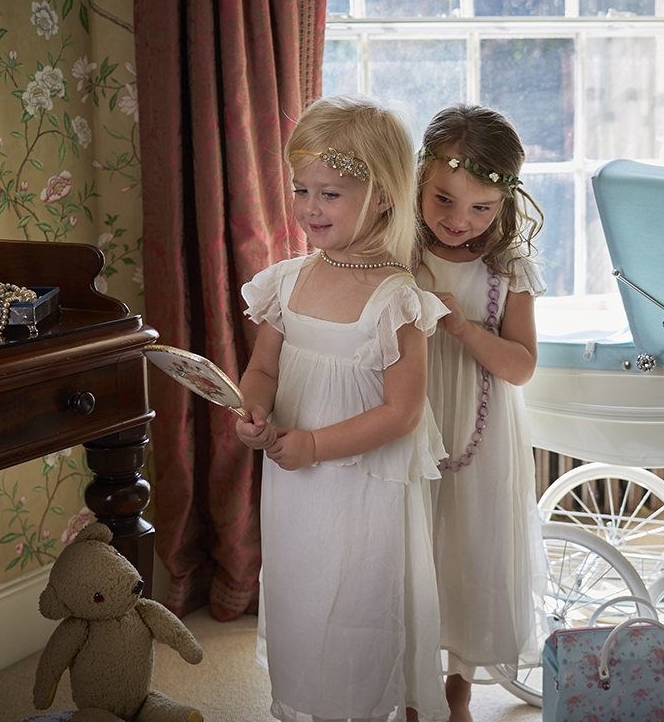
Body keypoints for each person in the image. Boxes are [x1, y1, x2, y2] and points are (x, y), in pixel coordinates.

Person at [235, 93, 451, 722]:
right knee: (302, 594)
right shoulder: (288, 280)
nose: (307, 208)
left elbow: (402, 413)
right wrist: (251, 409)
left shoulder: (396, 299)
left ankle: (361, 707)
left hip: (360, 487)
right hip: (294, 484)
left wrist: (314, 445)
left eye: (328, 194)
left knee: (358, 604)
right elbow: (264, 367)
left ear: (383, 194)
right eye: (300, 189)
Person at [414, 104, 549, 722]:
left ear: (506, 203)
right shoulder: (396, 253)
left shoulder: (508, 268)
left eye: (480, 209)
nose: (457, 221)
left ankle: (458, 684)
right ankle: (408, 680)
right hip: (409, 420)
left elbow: (521, 365)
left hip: (482, 432)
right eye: (442, 200)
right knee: (412, 549)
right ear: (418, 180)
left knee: (469, 550)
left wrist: (464, 329)